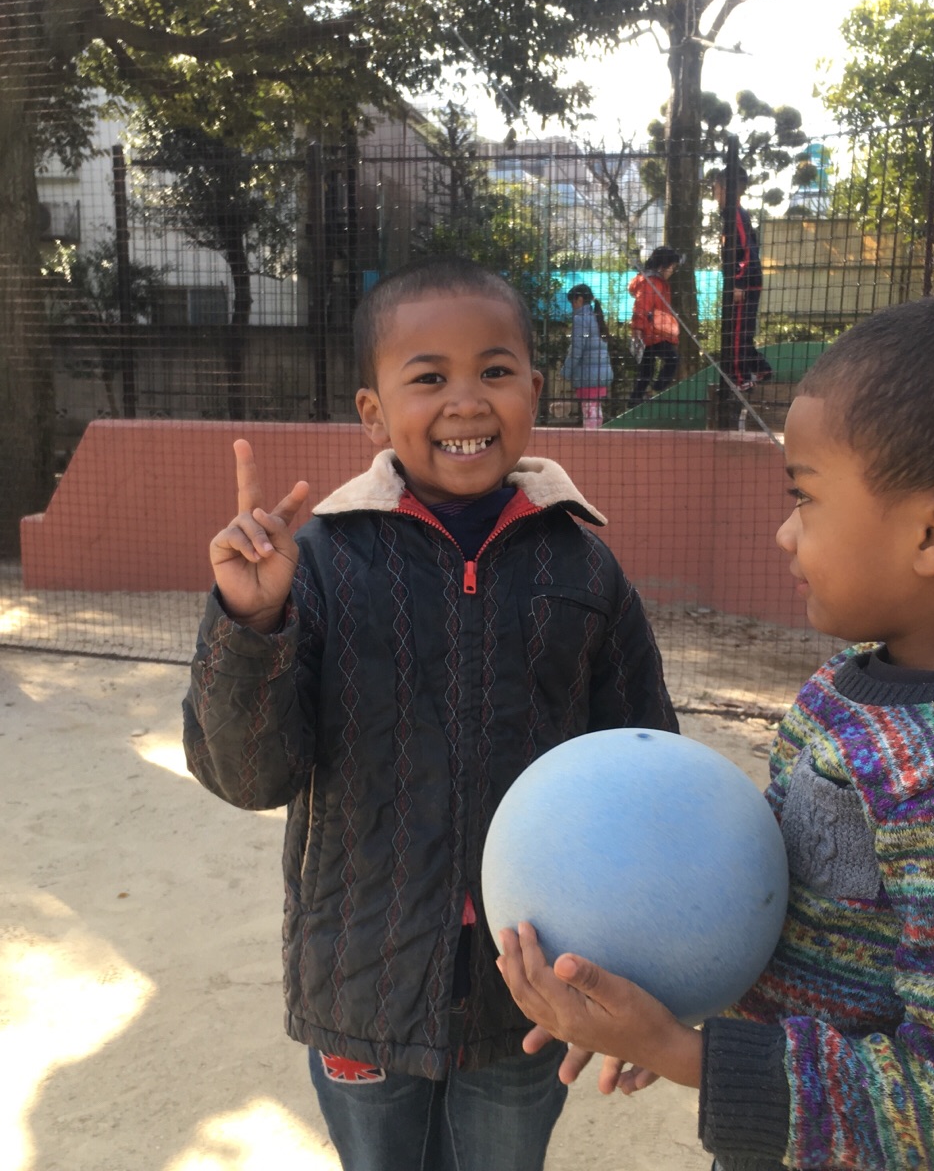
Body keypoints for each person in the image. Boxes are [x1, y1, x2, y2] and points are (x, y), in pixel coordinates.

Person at [496, 293, 934, 1171]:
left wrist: (689, 1057)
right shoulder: (849, 685)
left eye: (807, 497)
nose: (786, 533)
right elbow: (785, 913)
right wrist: (669, 1002)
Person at [182, 256, 678, 1171]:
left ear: (537, 390)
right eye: (429, 377)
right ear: (373, 412)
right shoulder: (320, 563)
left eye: (495, 370)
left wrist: (649, 974)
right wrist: (252, 624)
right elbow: (249, 776)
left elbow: (644, 781)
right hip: (362, 979)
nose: (466, 400)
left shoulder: (584, 568)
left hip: (528, 990)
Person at [713, 168, 773, 390]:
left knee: (737, 332)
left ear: (725, 190)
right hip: (747, 280)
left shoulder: (736, 215)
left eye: (716, 189)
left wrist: (738, 283)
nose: (714, 195)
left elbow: (748, 251)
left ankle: (740, 379)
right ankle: (760, 368)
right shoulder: (734, 215)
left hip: (745, 282)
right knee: (741, 329)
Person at [627, 246, 682, 406]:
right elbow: (641, 306)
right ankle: (655, 390)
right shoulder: (651, 282)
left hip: (654, 332)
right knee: (672, 359)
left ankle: (635, 400)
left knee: (647, 370)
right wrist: (637, 328)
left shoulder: (657, 282)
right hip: (651, 333)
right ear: (662, 266)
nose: (673, 271)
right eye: (672, 267)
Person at [562, 283, 614, 429]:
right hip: (600, 374)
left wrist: (566, 371)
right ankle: (597, 436)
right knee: (595, 410)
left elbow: (577, 349)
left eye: (572, 302)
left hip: (587, 375)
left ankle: (590, 438)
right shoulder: (596, 316)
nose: (572, 306)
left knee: (589, 412)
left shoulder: (580, 319)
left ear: (579, 299)